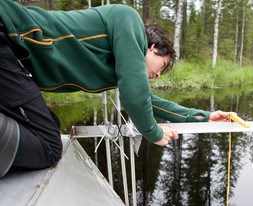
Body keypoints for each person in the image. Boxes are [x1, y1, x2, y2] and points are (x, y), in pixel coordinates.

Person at [0, 0, 231, 178]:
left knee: (47, 126)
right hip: (7, 36)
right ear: (152, 48)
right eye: (161, 66)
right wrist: (154, 133)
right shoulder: (128, 19)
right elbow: (134, 96)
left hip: (12, 60)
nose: (158, 75)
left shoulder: (118, 62)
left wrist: (204, 117)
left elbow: (147, 100)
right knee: (50, 146)